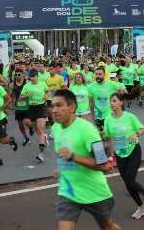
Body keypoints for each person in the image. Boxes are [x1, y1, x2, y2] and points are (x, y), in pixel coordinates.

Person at [50, 89, 121, 230]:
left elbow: (105, 166)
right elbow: (64, 154)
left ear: (72, 107)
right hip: (68, 191)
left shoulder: (87, 130)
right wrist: (61, 167)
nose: (54, 110)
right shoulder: (55, 128)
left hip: (94, 192)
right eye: (52, 106)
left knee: (108, 226)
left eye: (59, 105)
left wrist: (73, 157)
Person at [104, 93, 144, 220]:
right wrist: (111, 157)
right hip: (120, 154)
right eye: (110, 101)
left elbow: (143, 129)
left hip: (133, 150)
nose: (111, 103)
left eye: (114, 101)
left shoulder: (129, 117)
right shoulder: (108, 120)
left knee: (129, 179)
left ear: (121, 102)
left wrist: (137, 134)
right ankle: (141, 207)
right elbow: (109, 139)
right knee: (128, 183)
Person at [21, 69, 49, 163]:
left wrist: (46, 96)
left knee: (40, 130)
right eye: (30, 76)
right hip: (31, 108)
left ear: (37, 76)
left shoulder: (42, 84)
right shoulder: (27, 85)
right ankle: (43, 137)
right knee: (35, 129)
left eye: (33, 76)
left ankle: (41, 154)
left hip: (40, 108)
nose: (31, 78)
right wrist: (27, 95)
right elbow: (21, 96)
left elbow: (47, 91)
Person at [88, 67, 121, 132]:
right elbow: (91, 103)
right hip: (98, 115)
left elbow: (120, 93)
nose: (97, 76)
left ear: (104, 75)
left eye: (100, 74)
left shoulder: (112, 84)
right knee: (101, 135)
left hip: (110, 114)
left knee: (109, 134)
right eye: (96, 74)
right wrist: (93, 116)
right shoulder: (91, 86)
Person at [9, 68, 32, 146]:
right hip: (18, 106)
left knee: (27, 122)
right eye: (16, 75)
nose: (17, 76)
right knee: (20, 125)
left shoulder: (27, 83)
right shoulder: (12, 84)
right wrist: (12, 104)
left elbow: (31, 93)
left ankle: (30, 128)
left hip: (27, 105)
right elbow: (12, 96)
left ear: (23, 75)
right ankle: (26, 138)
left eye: (19, 74)